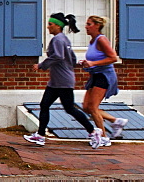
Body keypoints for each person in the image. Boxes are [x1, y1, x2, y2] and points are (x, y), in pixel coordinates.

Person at [24, 12, 99, 148]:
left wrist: (41, 65)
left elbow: (58, 56)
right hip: (59, 80)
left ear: (58, 26)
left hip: (62, 81)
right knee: (45, 105)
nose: (48, 27)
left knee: (69, 108)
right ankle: (40, 135)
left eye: (50, 24)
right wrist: (68, 68)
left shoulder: (57, 40)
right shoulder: (64, 39)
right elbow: (72, 59)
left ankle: (93, 132)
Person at [78, 15, 128, 148]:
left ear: (97, 26)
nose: (86, 27)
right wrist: (87, 63)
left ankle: (104, 138)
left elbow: (113, 58)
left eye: (89, 24)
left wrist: (93, 63)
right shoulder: (92, 41)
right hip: (95, 75)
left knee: (93, 108)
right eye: (86, 24)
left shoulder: (101, 40)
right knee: (86, 107)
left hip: (104, 76)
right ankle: (116, 121)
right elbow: (95, 59)